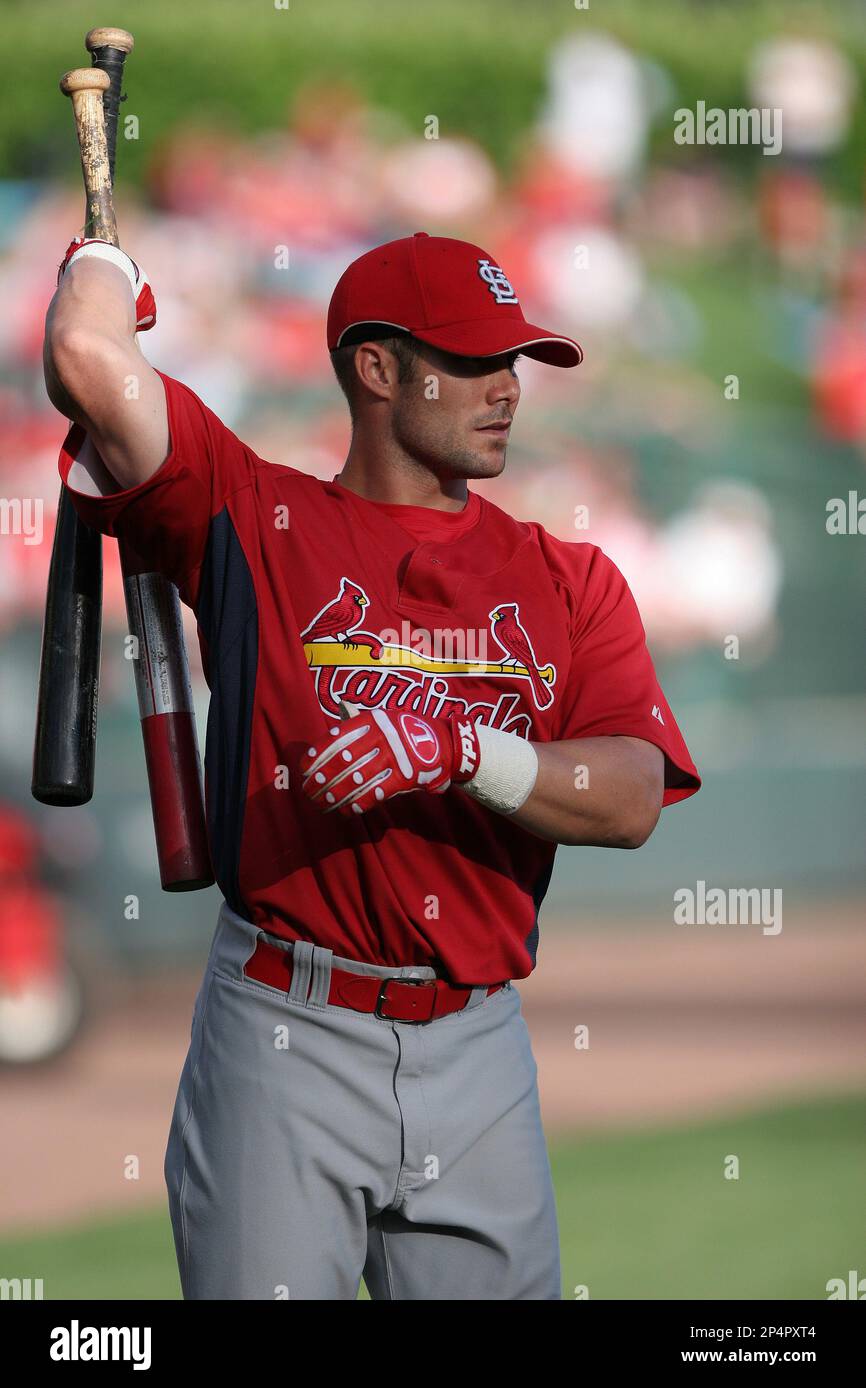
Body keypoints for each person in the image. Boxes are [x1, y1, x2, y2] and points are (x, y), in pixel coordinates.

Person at [43, 229, 700, 1300]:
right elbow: (85, 355)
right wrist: (104, 267)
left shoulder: (571, 578)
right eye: (474, 359)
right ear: (378, 368)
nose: (506, 390)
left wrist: (461, 751)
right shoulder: (252, 516)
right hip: (281, 1031)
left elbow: (629, 798)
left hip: (478, 1041)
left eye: (514, 363)